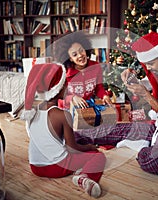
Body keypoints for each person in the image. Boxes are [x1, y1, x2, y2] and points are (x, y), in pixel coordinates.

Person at [74, 31, 158, 175]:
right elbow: (148, 85)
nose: (149, 68)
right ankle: (73, 137)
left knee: (152, 163)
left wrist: (146, 96)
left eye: (151, 64)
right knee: (115, 129)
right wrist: (132, 81)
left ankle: (144, 146)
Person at [20, 63, 106, 198]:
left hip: (35, 167)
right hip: (56, 167)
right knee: (98, 156)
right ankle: (84, 177)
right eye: (64, 83)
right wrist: (90, 147)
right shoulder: (62, 115)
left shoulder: (32, 111)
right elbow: (72, 148)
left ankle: (78, 170)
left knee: (77, 141)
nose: (68, 86)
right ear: (57, 88)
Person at [54, 31, 112, 109]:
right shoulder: (64, 72)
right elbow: (59, 96)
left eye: (81, 50)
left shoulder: (95, 67)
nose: (80, 55)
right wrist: (73, 98)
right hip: (67, 110)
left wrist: (104, 96)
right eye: (75, 54)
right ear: (70, 58)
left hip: (87, 109)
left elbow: (99, 88)